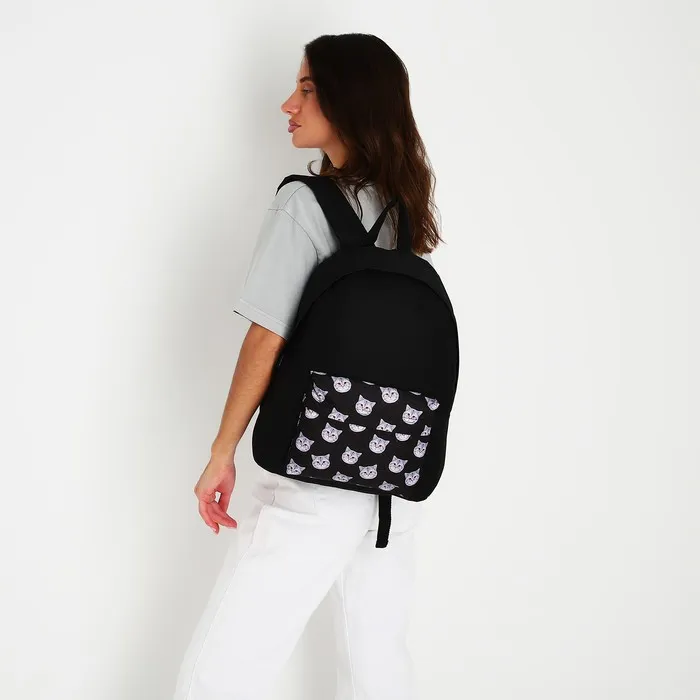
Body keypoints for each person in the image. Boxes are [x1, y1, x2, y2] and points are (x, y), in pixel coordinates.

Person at [173, 33, 444, 700]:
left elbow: (266, 339)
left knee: (223, 669)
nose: (287, 104)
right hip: (390, 481)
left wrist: (221, 453)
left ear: (348, 99)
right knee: (377, 669)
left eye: (307, 88)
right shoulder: (406, 210)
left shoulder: (306, 202)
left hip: (313, 480)